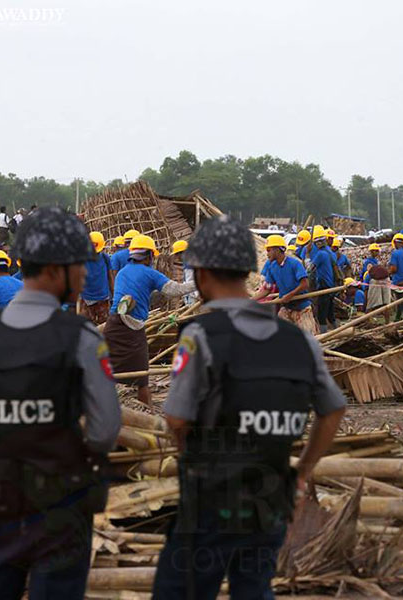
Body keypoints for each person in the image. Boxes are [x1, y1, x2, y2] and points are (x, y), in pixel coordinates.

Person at [150, 216, 346, 599]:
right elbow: (333, 410)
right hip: (271, 497)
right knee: (253, 588)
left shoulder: (198, 337)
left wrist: (191, 458)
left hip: (211, 496)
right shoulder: (300, 342)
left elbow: (175, 417)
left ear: (203, 274)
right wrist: (301, 473)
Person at [0, 206, 120, 600]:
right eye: (80, 265)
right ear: (56, 270)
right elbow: (105, 431)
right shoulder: (83, 337)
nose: (86, 273)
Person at [104, 234, 195, 406]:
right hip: (132, 328)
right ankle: (149, 412)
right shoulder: (150, 274)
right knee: (142, 377)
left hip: (113, 325)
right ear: (149, 256)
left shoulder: (123, 272)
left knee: (110, 370)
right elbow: (175, 290)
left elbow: (133, 290)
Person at [253, 234, 317, 334]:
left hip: (301, 307)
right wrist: (251, 300)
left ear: (277, 250)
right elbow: (267, 289)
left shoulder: (294, 264)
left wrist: (290, 295)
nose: (267, 254)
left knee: (309, 337)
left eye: (269, 250)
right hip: (286, 307)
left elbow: (305, 284)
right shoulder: (272, 267)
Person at [307, 228, 337, 333]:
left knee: (322, 315)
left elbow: (309, 268)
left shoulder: (320, 254)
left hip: (324, 285)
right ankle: (337, 331)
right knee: (330, 313)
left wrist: (307, 254)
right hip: (331, 286)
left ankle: (324, 336)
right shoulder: (330, 252)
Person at [80, 232, 113, 324]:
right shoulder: (104, 258)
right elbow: (111, 278)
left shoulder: (105, 258)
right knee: (103, 324)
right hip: (95, 298)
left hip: (94, 298)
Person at [170, 240, 197, 306]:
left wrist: (196, 296)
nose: (176, 257)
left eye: (177, 254)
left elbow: (190, 282)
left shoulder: (189, 264)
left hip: (195, 296)